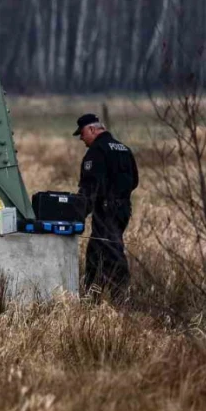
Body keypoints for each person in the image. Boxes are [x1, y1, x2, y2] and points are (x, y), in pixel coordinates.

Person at [74, 113, 139, 298]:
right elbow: (134, 181)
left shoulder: (96, 152)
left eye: (82, 133)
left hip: (106, 210)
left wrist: (77, 215)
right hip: (123, 209)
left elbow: (89, 188)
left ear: (92, 129)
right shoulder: (123, 149)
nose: (81, 138)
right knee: (96, 252)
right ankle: (91, 295)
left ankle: (123, 298)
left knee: (112, 251)